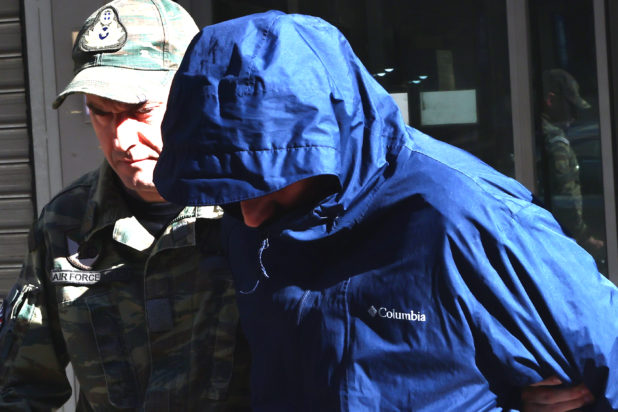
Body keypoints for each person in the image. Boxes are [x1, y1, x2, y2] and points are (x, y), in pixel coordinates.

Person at [154, 11, 617, 411]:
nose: (251, 215)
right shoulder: (241, 222)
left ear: (331, 139)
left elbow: (606, 354)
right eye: (229, 189)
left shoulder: (460, 215)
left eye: (269, 182)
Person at [0, 0, 250, 409]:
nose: (121, 140)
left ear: (195, 96)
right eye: (101, 113)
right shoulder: (65, 224)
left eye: (140, 110)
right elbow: (21, 385)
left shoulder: (249, 207)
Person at [541, 68, 604, 255]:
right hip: (558, 239)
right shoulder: (554, 141)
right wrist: (584, 237)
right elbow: (565, 193)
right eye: (570, 107)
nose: (574, 116)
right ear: (551, 100)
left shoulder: (537, 134)